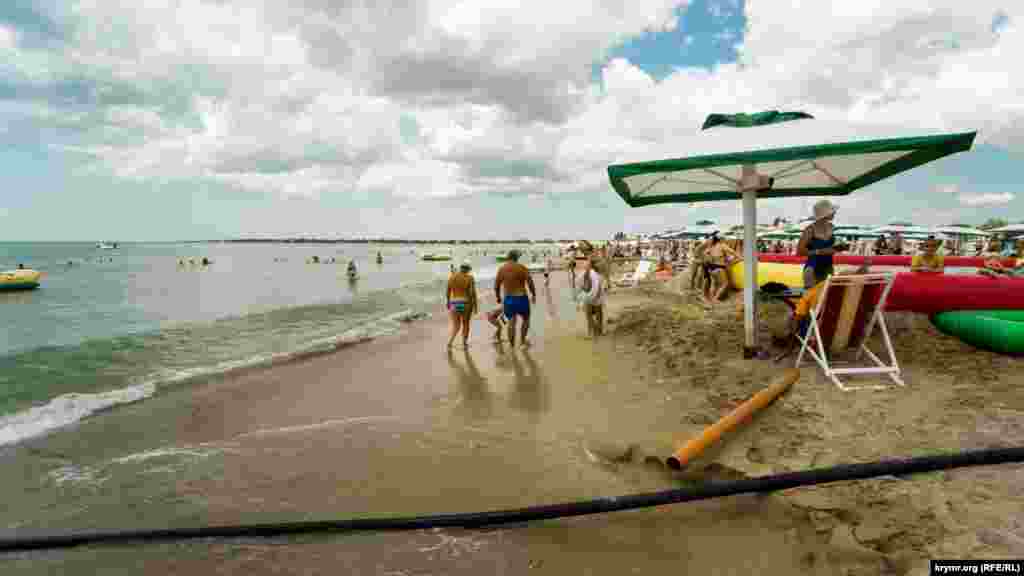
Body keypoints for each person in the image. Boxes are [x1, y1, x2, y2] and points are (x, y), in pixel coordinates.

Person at [798, 200, 847, 288]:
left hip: (828, 268)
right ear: (825, 214)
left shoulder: (832, 227)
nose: (834, 213)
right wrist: (820, 251)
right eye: (832, 211)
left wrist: (839, 247)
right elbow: (799, 252)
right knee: (814, 296)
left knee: (827, 295)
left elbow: (829, 248)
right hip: (812, 269)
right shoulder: (810, 230)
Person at [495, 250, 537, 348]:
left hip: (509, 299)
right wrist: (533, 294)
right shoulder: (522, 267)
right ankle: (522, 342)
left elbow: (496, 286)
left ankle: (512, 345)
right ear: (516, 257)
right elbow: (530, 282)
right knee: (526, 320)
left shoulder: (502, 269)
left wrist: (498, 297)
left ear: (508, 257)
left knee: (511, 322)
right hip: (522, 298)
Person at [446, 260, 478, 349]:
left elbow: (448, 291)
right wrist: (475, 305)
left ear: (461, 268)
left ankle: (450, 342)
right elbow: (472, 293)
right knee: (466, 324)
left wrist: (448, 302)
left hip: (454, 303)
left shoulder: (452, 277)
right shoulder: (470, 278)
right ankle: (464, 343)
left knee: (456, 326)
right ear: (468, 269)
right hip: (465, 303)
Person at [702, 232, 740, 303]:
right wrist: (737, 259)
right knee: (725, 284)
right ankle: (715, 299)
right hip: (719, 267)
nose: (725, 239)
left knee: (715, 283)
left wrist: (712, 258)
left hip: (711, 267)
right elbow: (735, 254)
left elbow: (705, 254)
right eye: (724, 238)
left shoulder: (712, 246)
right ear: (721, 239)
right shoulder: (722, 245)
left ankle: (710, 298)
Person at [579, 257, 606, 338]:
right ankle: (598, 330)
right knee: (597, 314)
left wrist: (585, 294)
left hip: (593, 296)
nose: (585, 265)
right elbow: (599, 287)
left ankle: (593, 331)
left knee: (590, 314)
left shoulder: (591, 273)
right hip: (595, 296)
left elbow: (583, 284)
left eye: (587, 264)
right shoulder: (596, 274)